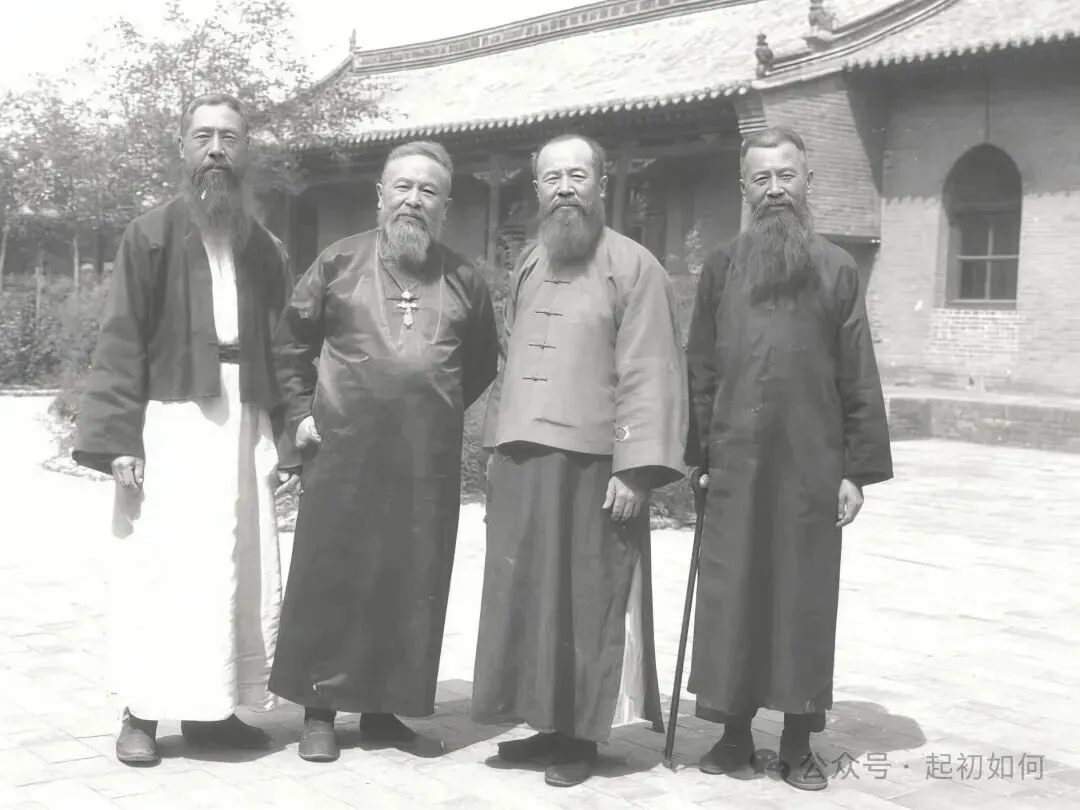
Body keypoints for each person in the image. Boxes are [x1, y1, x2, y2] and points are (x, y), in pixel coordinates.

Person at [72, 93, 300, 766]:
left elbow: (285, 345)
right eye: (204, 137)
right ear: (182, 148)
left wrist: (290, 435)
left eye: (230, 137)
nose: (217, 150)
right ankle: (141, 713)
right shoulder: (149, 234)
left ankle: (213, 713)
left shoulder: (264, 248)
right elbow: (121, 337)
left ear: (246, 150)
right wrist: (118, 439)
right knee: (163, 567)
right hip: (172, 423)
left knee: (234, 568)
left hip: (245, 418)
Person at [266, 140, 499, 763]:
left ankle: (382, 711)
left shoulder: (465, 279)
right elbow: (290, 346)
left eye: (428, 191)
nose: (413, 200)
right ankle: (318, 711)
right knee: (333, 575)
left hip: (425, 461)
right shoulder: (338, 263)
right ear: (380, 195)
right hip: (343, 452)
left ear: (445, 205)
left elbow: (479, 362)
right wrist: (300, 414)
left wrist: (427, 407)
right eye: (403, 187)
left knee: (409, 579)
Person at [471, 133, 688, 788]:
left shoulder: (635, 266)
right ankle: (546, 725)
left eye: (577, 176)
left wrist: (634, 467)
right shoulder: (530, 262)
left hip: (595, 467)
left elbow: (650, 369)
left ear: (601, 184)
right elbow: (511, 362)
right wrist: (494, 447)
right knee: (531, 598)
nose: (564, 188)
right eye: (551, 178)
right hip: (524, 460)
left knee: (588, 598)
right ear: (537, 189)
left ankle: (583, 736)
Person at [683, 126, 894, 791]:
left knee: (802, 599)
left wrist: (855, 470)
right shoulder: (721, 268)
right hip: (736, 464)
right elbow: (700, 368)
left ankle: (799, 742)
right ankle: (733, 735)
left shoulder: (836, 268)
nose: (775, 189)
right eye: (761, 178)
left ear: (807, 182)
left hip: (811, 465)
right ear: (745, 188)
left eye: (786, 175)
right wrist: (699, 455)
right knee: (733, 596)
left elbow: (858, 369)